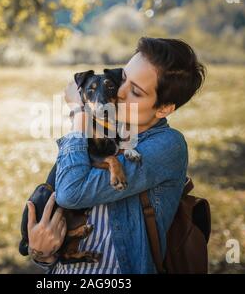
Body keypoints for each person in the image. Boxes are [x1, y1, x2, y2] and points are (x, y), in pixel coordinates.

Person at [26, 37, 206, 274]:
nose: (118, 93)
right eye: (122, 78)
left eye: (135, 90)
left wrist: (78, 113)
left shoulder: (167, 145)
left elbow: (71, 193)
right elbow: (55, 234)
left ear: (164, 108)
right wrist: (42, 254)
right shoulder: (103, 131)